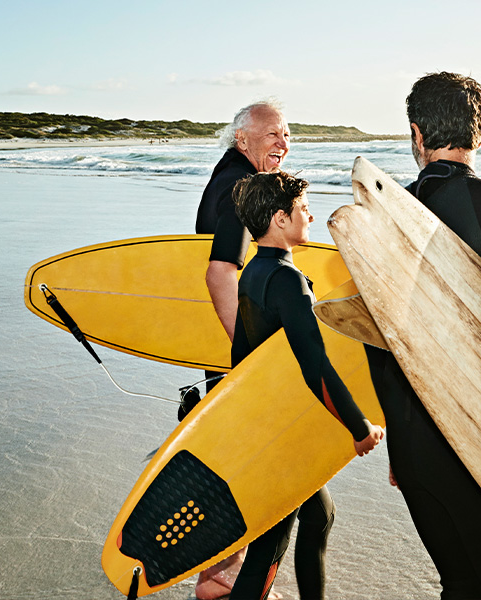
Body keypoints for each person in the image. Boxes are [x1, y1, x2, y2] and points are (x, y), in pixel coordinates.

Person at [364, 72, 481, 599]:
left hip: (414, 444)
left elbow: (374, 337)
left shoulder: (383, 217)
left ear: (416, 133)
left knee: (462, 585)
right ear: (479, 133)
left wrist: (399, 448)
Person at [228, 171, 384, 600]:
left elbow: (240, 357)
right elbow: (315, 368)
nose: (310, 215)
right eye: (302, 209)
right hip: (283, 435)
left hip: (268, 421)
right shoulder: (288, 281)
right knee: (272, 542)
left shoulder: (253, 274)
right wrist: (359, 427)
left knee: (320, 516)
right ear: (280, 219)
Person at [188, 100, 291, 599]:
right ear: (242, 139)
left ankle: (220, 577)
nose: (283, 143)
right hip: (236, 356)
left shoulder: (232, 178)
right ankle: (220, 580)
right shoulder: (240, 186)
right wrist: (249, 354)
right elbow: (219, 270)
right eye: (272, 133)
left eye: (287, 134)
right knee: (272, 490)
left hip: (222, 351)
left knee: (299, 502)